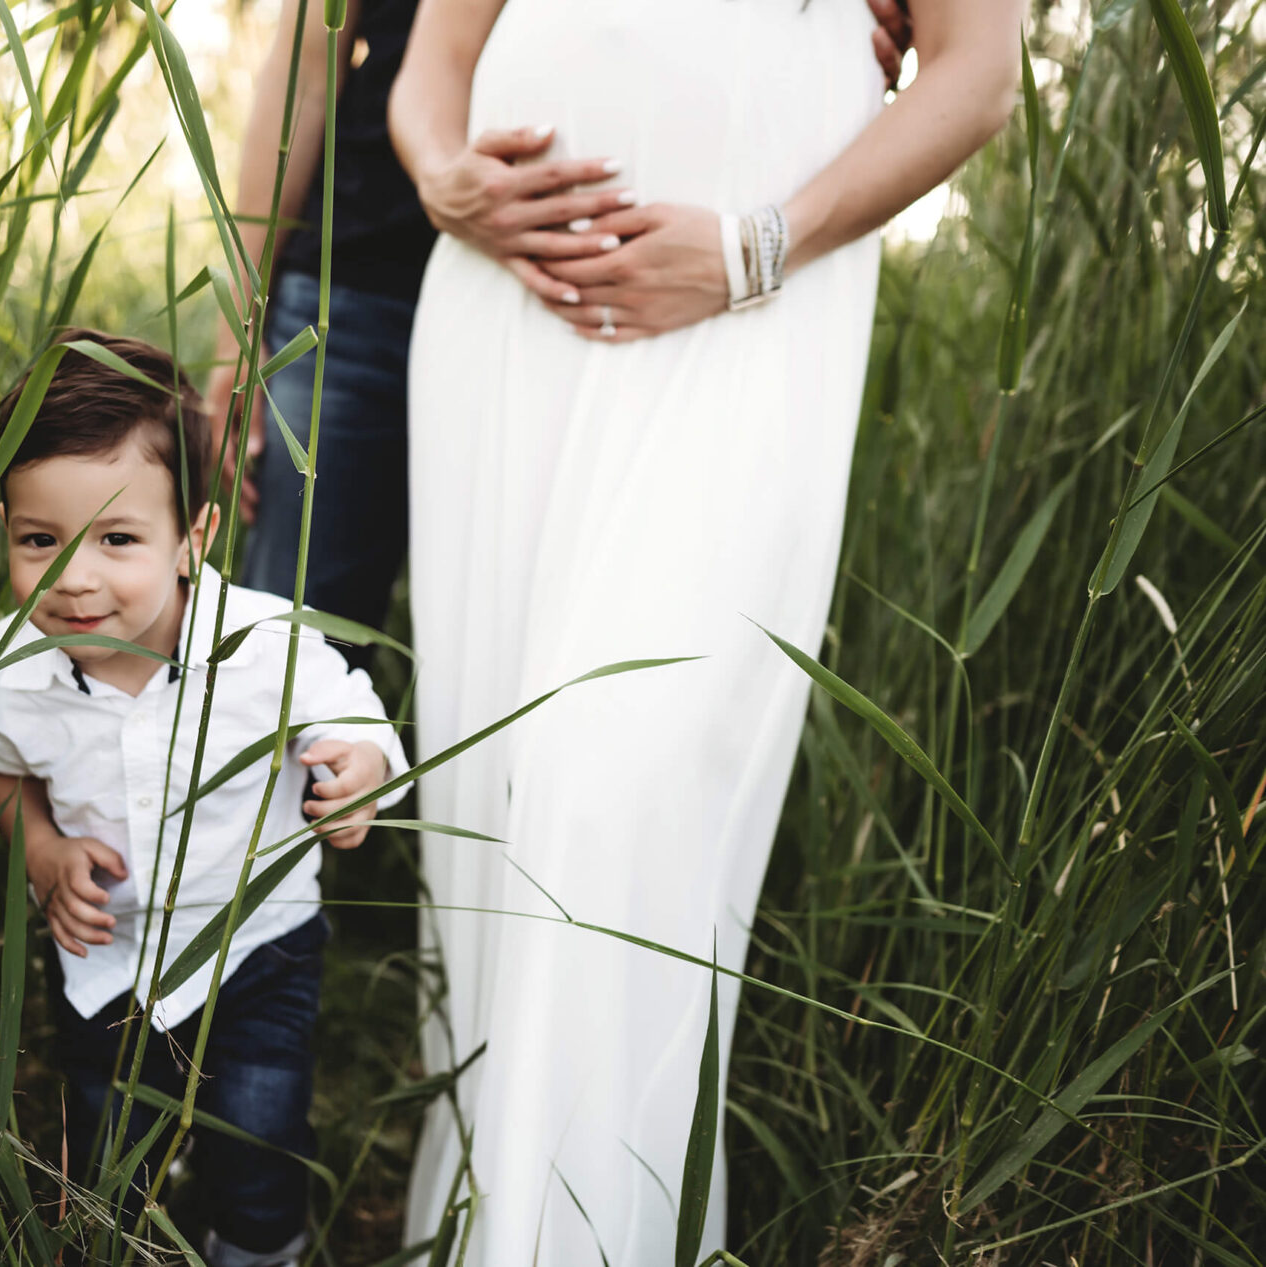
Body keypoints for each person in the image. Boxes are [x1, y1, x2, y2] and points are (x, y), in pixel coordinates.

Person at [386, 1, 1022, 1262]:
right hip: (500, 324)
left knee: (607, 782)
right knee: (491, 801)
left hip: (745, 326)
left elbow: (978, 75)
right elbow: (430, 70)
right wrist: (445, 180)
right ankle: (490, 1222)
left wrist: (750, 247)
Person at [206, 0, 912, 667]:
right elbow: (303, 65)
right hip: (359, 290)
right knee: (291, 660)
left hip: (599, 314)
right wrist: (240, 321)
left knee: (545, 666)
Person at [0, 332, 410, 1267]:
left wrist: (360, 769)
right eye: (41, 541)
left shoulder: (264, 645)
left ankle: (257, 1246)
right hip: (106, 954)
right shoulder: (4, 673)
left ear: (192, 538)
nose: (76, 578)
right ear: (6, 525)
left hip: (259, 939)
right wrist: (39, 850)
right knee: (108, 1135)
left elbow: (359, 719)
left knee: (257, 1127)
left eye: (117, 541)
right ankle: (119, 1241)